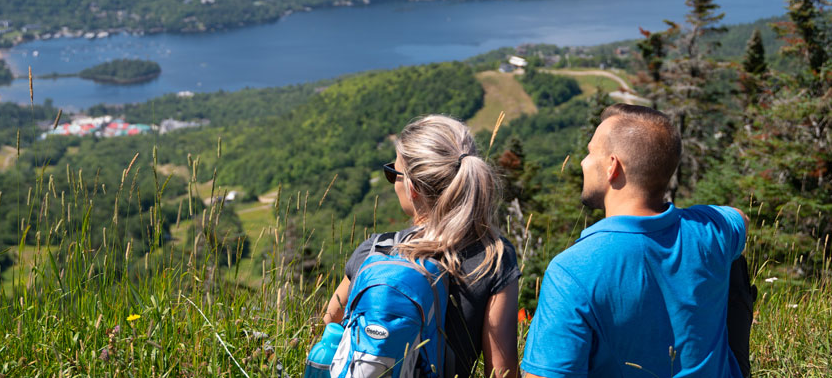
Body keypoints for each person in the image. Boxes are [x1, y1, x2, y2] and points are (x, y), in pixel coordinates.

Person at [521, 104, 753, 378]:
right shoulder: (712, 232)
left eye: (590, 152)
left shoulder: (572, 271)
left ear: (612, 167)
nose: (583, 162)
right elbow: (741, 218)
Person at [323, 115, 521, 378]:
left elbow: (331, 323)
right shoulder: (493, 257)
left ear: (413, 187)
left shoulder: (374, 252)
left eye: (393, 173)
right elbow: (501, 371)